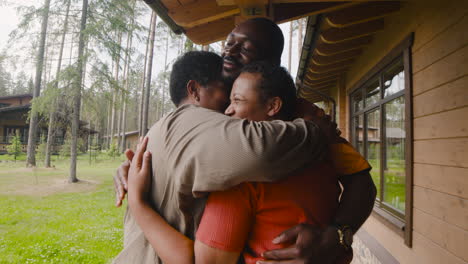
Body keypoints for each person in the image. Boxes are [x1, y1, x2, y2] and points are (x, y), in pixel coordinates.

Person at [114, 17, 377, 263]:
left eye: (245, 47)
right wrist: (132, 166)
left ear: (271, 60)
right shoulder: (219, 109)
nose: (229, 51)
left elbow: (361, 181)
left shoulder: (302, 115)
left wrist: (338, 235)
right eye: (229, 44)